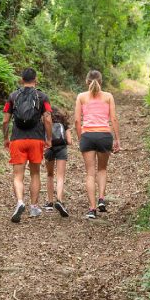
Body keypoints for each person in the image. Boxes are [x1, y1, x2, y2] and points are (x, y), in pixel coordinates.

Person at [2, 68, 52, 223]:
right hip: (36, 139)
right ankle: (34, 206)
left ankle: (19, 202)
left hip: (17, 139)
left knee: (18, 175)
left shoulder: (13, 96)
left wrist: (5, 138)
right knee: (35, 173)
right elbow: (48, 119)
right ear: (35, 80)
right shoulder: (42, 96)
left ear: (21, 80)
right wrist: (49, 138)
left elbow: (5, 120)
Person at [74, 70, 120, 219]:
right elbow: (113, 119)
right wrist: (117, 139)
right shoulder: (108, 96)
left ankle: (92, 209)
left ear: (87, 82)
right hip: (104, 136)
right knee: (102, 169)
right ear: (101, 82)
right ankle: (101, 199)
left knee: (90, 173)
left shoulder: (81, 97)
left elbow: (76, 121)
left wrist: (81, 137)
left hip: (88, 136)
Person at [43, 106, 72, 217]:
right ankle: (59, 200)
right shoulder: (64, 124)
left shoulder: (45, 123)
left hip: (49, 149)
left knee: (50, 175)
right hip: (62, 149)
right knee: (60, 176)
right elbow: (69, 141)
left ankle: (50, 202)